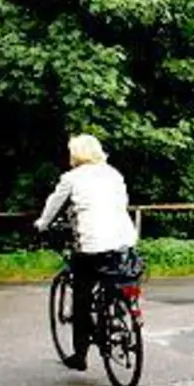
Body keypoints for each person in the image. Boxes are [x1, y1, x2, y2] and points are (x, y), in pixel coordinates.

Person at [33, 134, 139, 371]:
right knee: (114, 280)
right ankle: (118, 312)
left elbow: (53, 205)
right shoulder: (114, 174)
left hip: (92, 246)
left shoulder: (71, 178)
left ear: (76, 154)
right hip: (124, 240)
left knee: (82, 297)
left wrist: (41, 225)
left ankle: (80, 356)